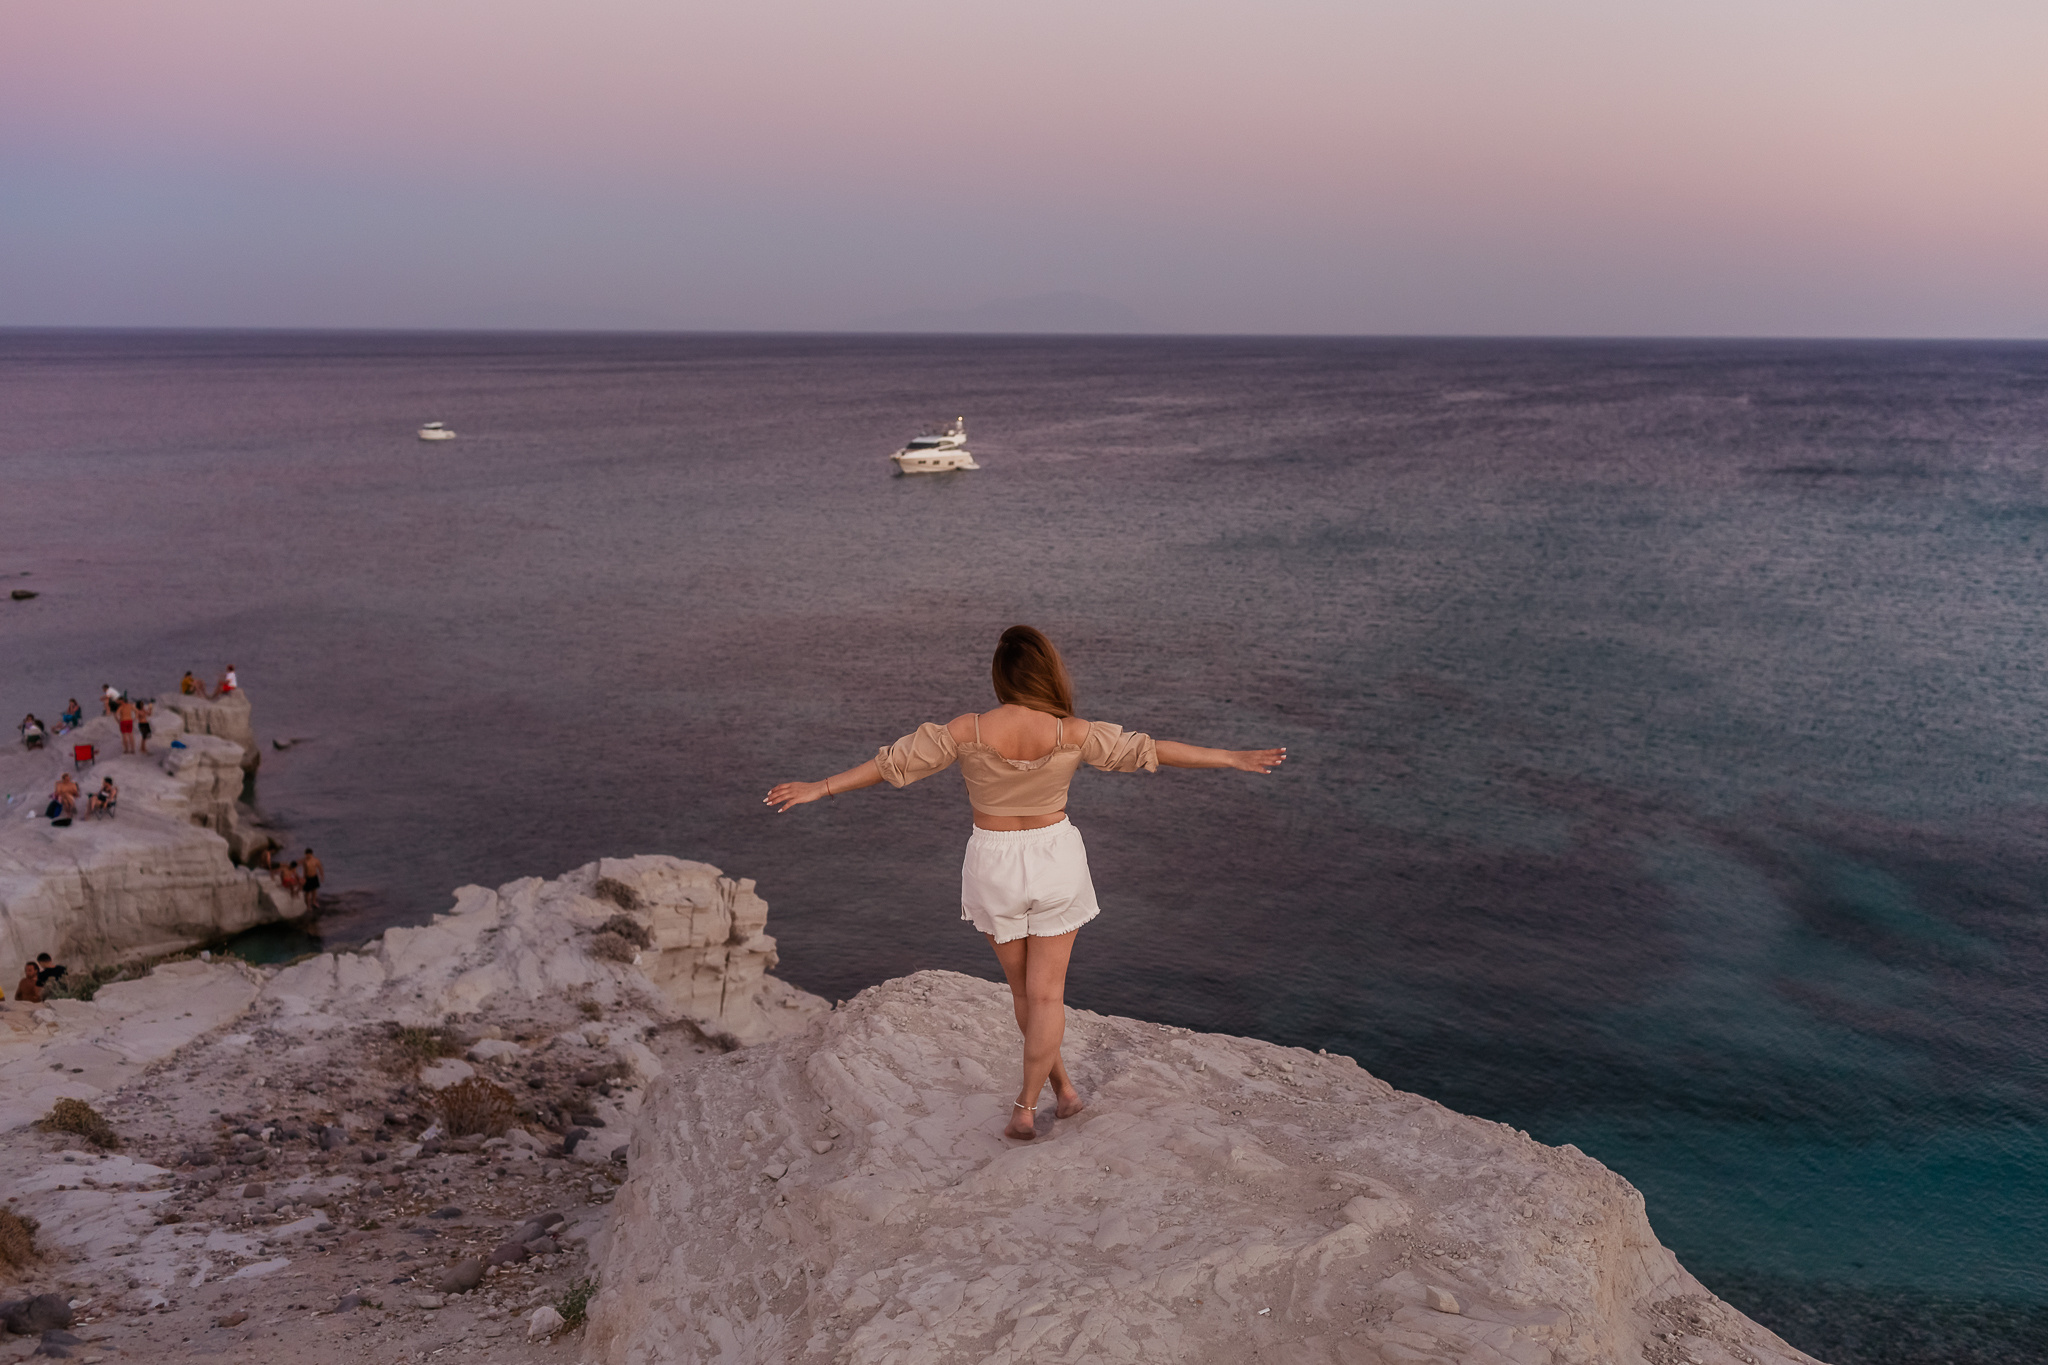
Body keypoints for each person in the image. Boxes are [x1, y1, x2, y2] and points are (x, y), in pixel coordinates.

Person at [765, 625, 1286, 1141]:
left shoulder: (966, 730)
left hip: (992, 863)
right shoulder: (1072, 732)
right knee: (1047, 996)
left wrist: (821, 787)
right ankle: (1028, 1105)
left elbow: (892, 765)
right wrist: (1230, 758)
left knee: (1025, 995)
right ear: (1048, 674)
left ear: (1001, 676)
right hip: (1055, 857)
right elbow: (1151, 749)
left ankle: (1062, 1093)